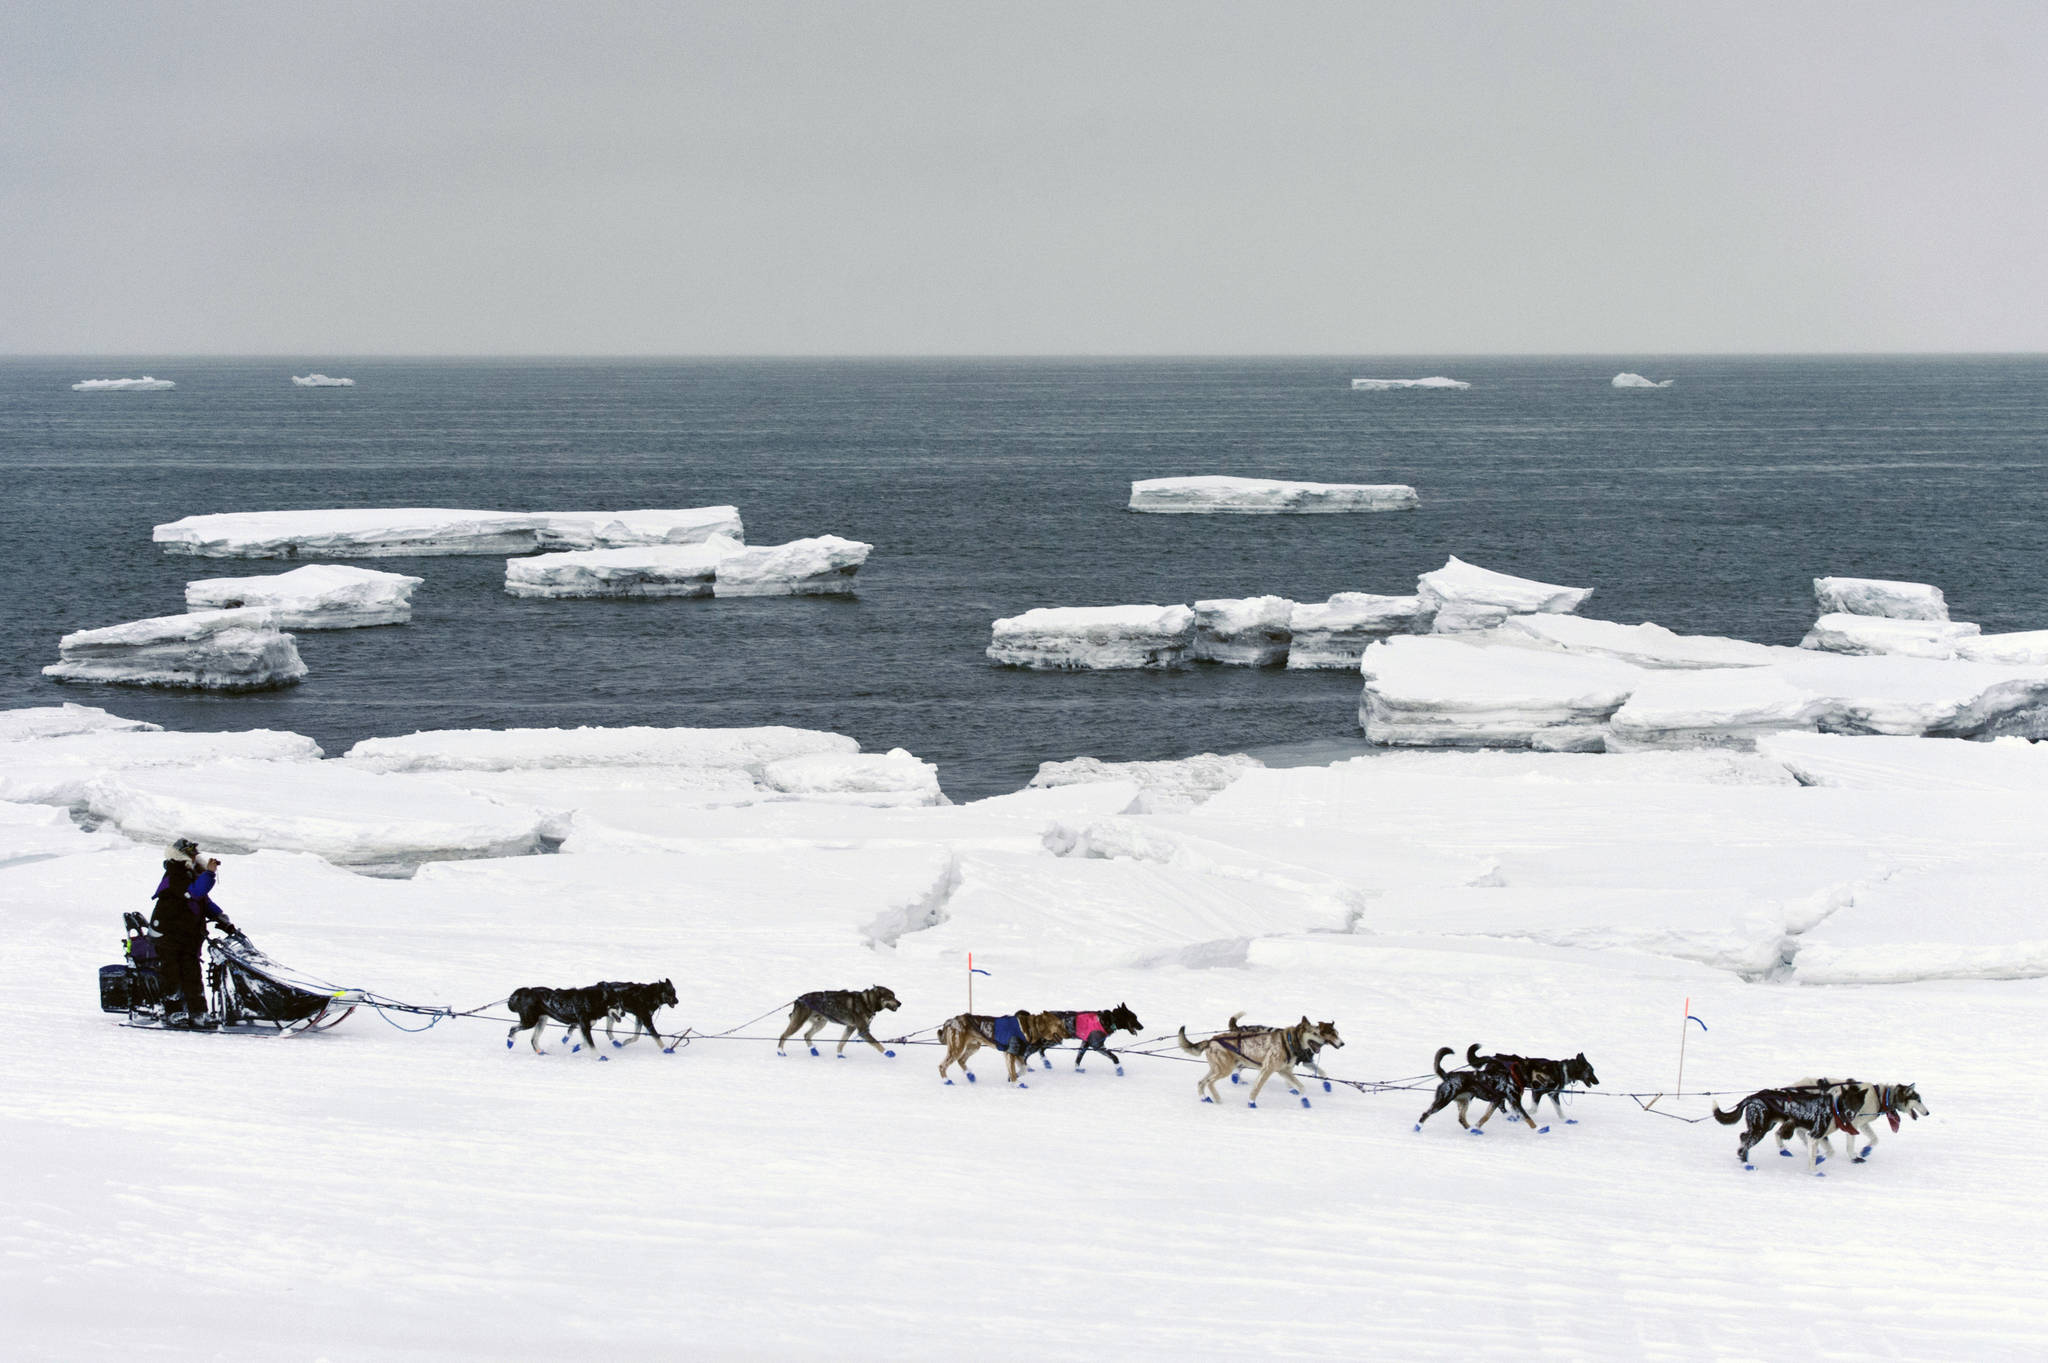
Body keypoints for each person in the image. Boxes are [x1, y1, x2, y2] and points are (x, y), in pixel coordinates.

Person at [148, 838, 236, 1028]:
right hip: (168, 935)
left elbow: (203, 901)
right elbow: (195, 893)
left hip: (188, 935)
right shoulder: (175, 875)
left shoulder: (191, 874)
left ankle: (198, 1013)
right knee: (172, 973)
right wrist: (210, 873)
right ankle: (174, 1012)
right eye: (193, 854)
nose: (197, 856)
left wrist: (221, 918)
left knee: (192, 974)